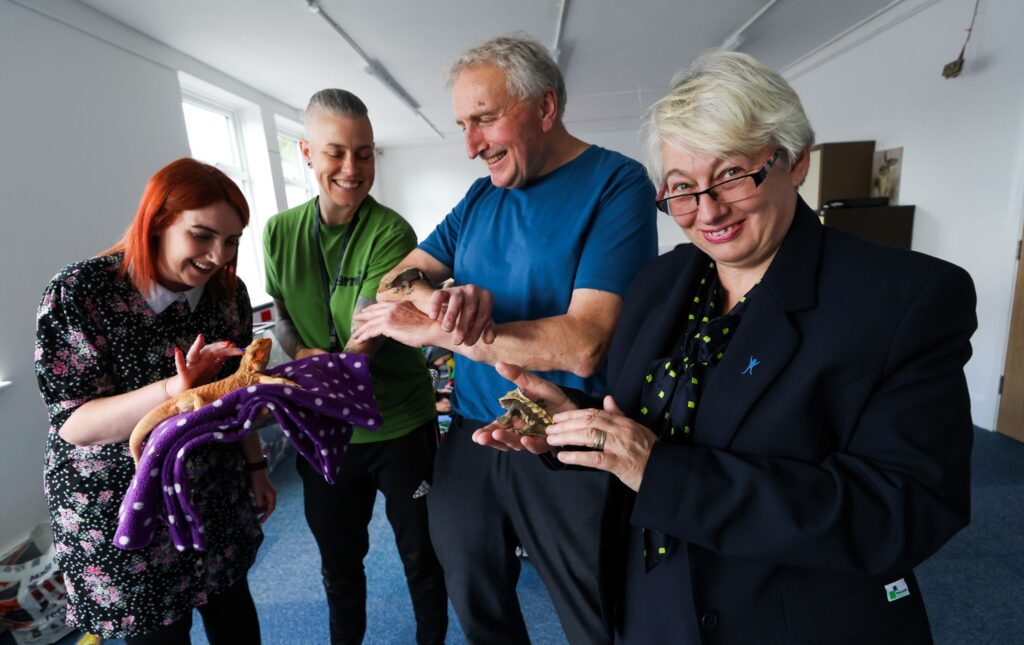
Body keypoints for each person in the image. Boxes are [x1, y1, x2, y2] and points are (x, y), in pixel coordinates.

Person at [476, 50, 977, 644]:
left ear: (793, 162)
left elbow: (901, 514)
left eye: (732, 175)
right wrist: (574, 426)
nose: (707, 210)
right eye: (682, 188)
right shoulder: (661, 282)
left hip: (792, 620)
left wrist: (662, 473)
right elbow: (647, 428)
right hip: (652, 605)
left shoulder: (905, 299)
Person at [351, 35, 657, 644]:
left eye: (485, 120)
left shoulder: (617, 184)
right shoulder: (479, 197)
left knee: (595, 613)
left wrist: (453, 335)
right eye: (464, 124)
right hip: (471, 436)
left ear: (545, 108)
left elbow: (583, 345)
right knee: (475, 599)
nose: (471, 145)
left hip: (568, 438)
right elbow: (391, 281)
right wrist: (435, 298)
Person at [35, 158, 273, 644]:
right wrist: (172, 392)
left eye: (231, 241)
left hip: (210, 488)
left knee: (235, 618)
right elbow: (74, 423)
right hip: (122, 499)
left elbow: (237, 390)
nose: (217, 256)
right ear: (158, 222)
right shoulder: (81, 293)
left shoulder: (226, 295)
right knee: (160, 633)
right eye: (202, 235)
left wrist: (256, 466)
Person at [262, 89, 447, 645]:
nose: (351, 168)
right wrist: (298, 355)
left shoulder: (391, 232)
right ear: (306, 152)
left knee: (422, 556)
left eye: (364, 153)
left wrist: (332, 366)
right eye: (336, 152)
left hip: (399, 424)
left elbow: (371, 328)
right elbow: (282, 317)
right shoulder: (278, 232)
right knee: (338, 564)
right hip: (324, 431)